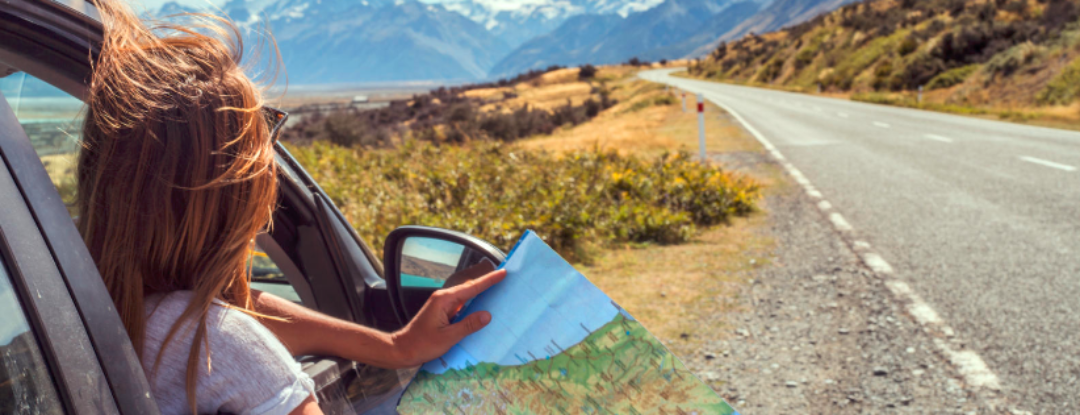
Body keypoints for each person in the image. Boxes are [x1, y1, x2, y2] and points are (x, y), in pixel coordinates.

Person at [76, 1, 506, 414]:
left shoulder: (78, 302)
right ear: (235, 193)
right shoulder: (222, 348)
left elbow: (234, 312)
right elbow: (224, 331)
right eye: (263, 142)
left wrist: (398, 348)